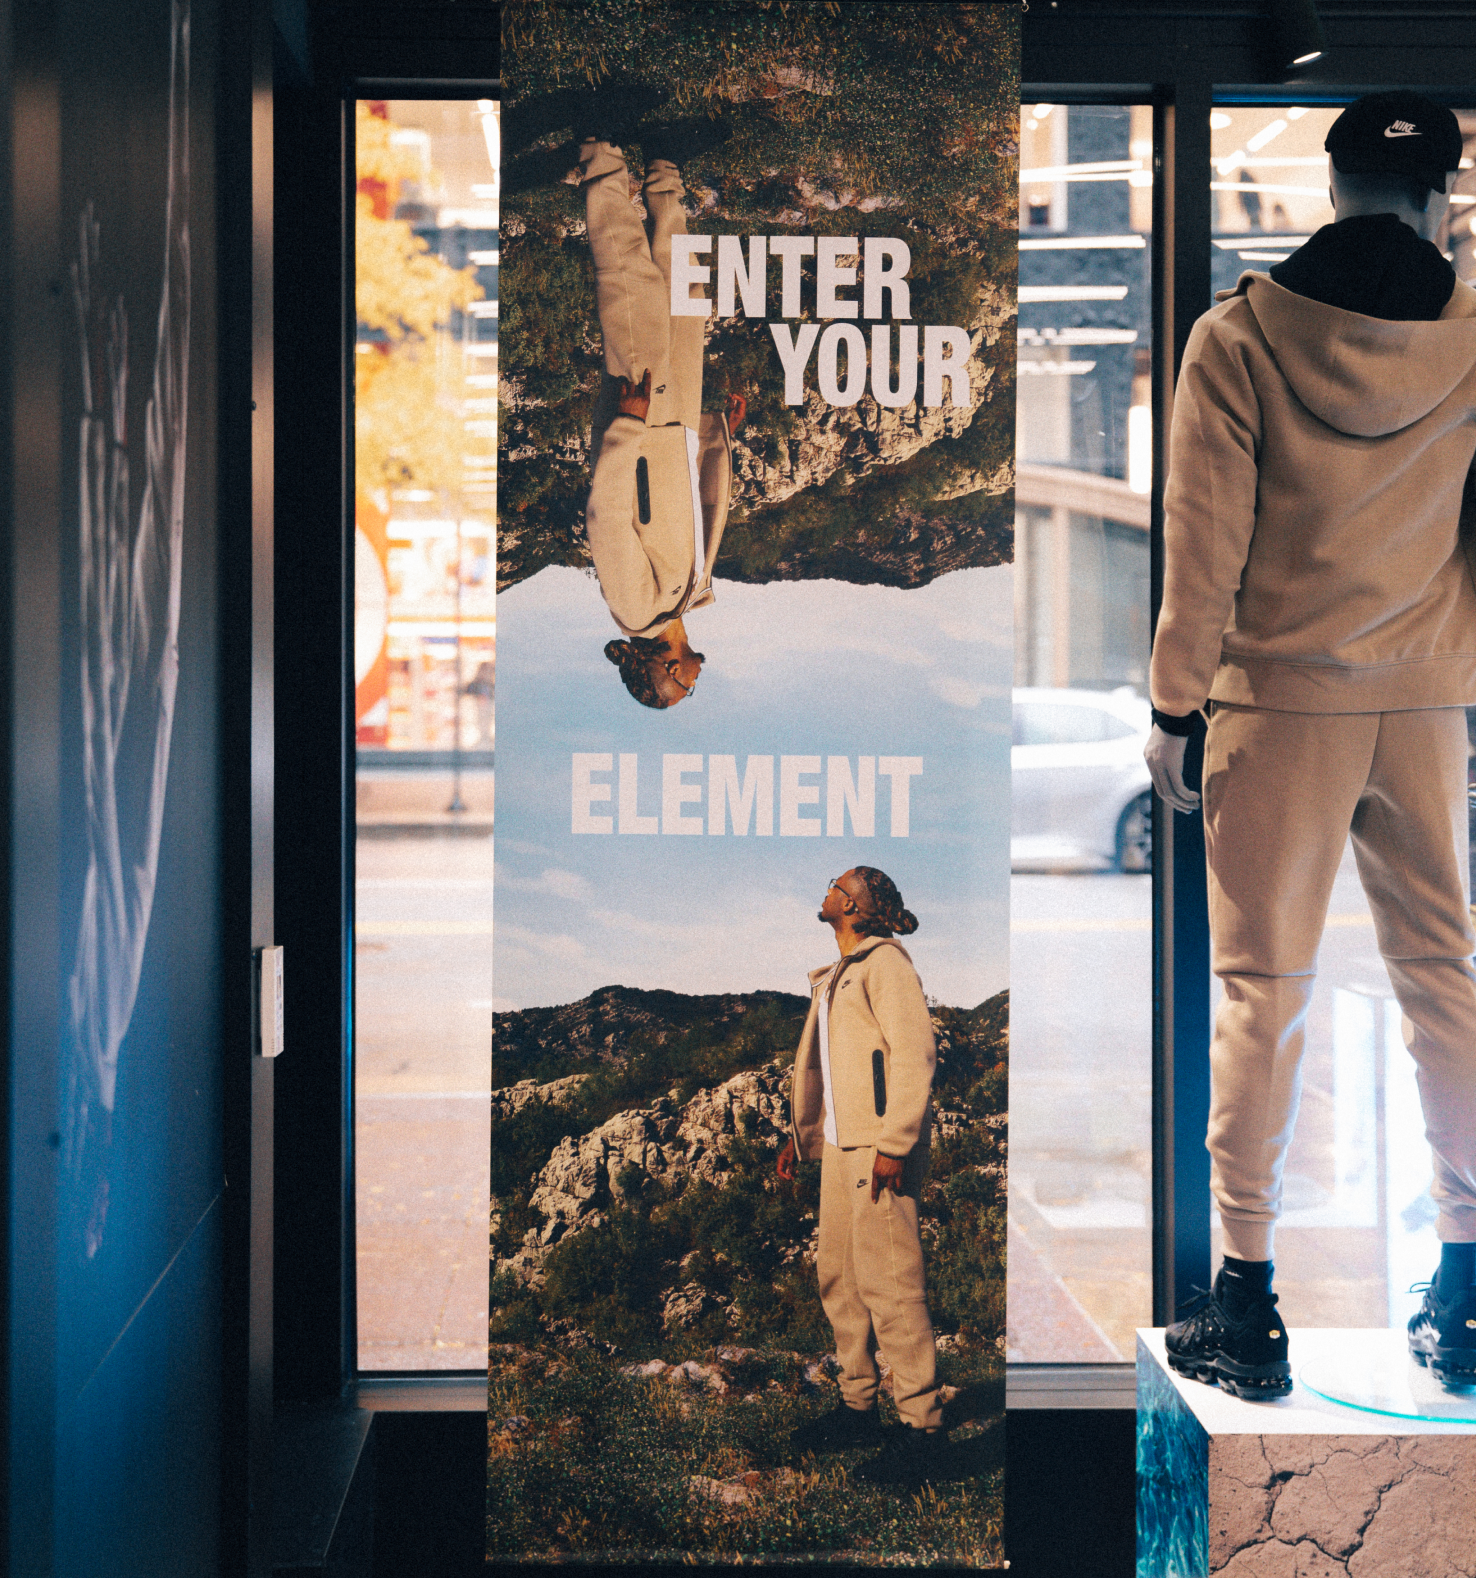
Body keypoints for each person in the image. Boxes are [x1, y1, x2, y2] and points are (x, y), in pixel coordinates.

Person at [1145, 91, 1476, 1396]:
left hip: (1274, 705)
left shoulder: (1238, 339)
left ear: (1330, 190)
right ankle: (1467, 1280)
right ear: (1440, 194)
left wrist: (1177, 705)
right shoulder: (1473, 339)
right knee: (1445, 980)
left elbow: (1202, 550)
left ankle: (1248, 1301)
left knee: (1262, 993)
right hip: (1422, 701)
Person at [775, 868, 950, 1484]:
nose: (823, 889)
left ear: (851, 904)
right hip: (843, 1148)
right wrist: (801, 1138)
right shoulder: (837, 977)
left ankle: (921, 1427)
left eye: (834, 884)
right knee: (841, 1279)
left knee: (892, 1282)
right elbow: (827, 1067)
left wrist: (896, 1142)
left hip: (881, 1148)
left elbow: (914, 1053)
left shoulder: (886, 966)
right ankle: (858, 1407)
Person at [576, 127, 747, 709]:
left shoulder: (635, 608)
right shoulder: (687, 596)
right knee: (683, 295)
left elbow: (607, 518)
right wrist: (721, 434)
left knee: (632, 292)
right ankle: (664, 173)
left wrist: (625, 426)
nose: (694, 682)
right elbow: (694, 505)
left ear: (664, 670)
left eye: (684, 688)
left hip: (642, 422)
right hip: (677, 424)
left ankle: (601, 153)